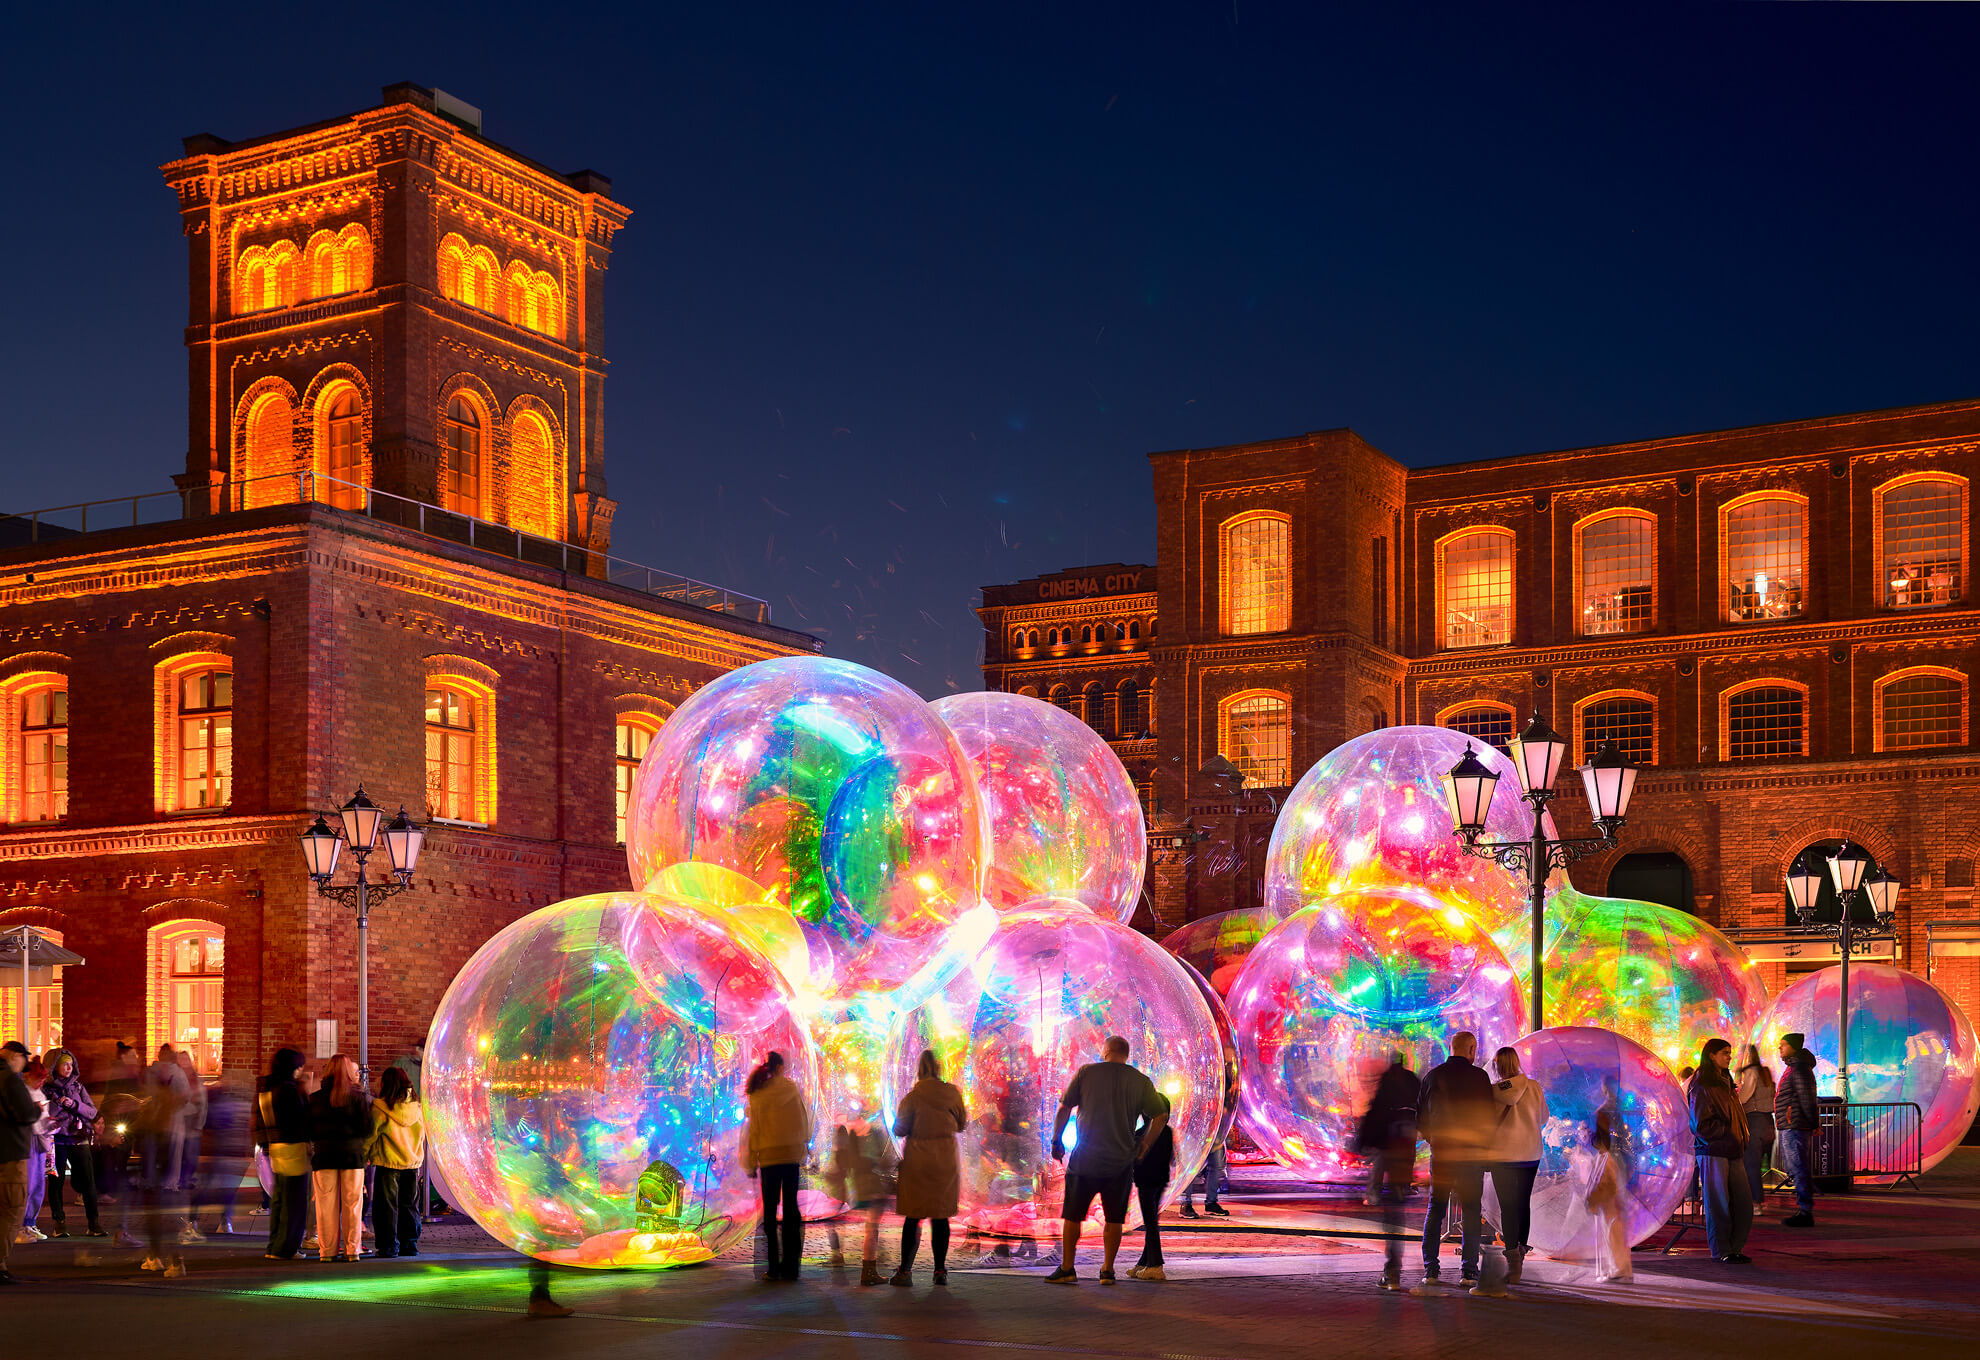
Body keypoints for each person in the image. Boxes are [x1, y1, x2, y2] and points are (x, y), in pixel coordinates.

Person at [1045, 1035, 1167, 1286]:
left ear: (1106, 1051)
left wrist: (1056, 1141)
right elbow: (1161, 1115)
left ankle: (1067, 1267)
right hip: (1120, 1162)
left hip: (1085, 1160)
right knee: (1114, 1220)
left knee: (1073, 1216)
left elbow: (1064, 1108)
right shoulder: (1140, 1081)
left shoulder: (1086, 1073)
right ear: (1126, 1054)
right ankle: (1107, 1270)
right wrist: (1144, 1144)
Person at [1413, 1031, 1493, 1290]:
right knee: (1471, 1211)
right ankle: (1469, 1272)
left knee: (1436, 1209)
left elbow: (1421, 1118)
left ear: (1451, 1048)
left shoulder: (1433, 1077)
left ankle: (1431, 1270)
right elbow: (1488, 1119)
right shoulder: (1480, 1078)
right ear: (1471, 1049)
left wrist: (1434, 1139)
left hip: (1444, 1154)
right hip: (1471, 1155)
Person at [891, 1048, 967, 1287]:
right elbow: (962, 1123)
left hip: (918, 1162)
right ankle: (940, 1271)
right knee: (940, 1216)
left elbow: (899, 1129)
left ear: (919, 1070)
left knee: (913, 1217)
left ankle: (905, 1272)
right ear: (938, 1068)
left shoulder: (913, 1097)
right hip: (944, 1161)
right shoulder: (952, 1094)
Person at [740, 1051, 812, 1282]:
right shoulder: (791, 1089)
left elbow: (754, 1130)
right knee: (791, 1210)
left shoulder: (758, 1093)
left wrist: (751, 1161)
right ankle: (791, 1268)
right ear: (781, 1067)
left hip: (769, 1158)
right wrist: (803, 1149)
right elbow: (804, 1122)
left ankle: (772, 1268)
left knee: (770, 1213)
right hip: (790, 1156)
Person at [1357, 1051, 1420, 1292]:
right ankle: (1400, 1189)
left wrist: (1363, 1142)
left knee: (1392, 1214)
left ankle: (1392, 1269)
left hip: (1388, 1148)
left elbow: (1375, 1110)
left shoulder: (1387, 1081)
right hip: (1405, 1148)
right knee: (1397, 1205)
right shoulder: (1412, 1080)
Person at [1688, 1037, 1752, 1265]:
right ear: (1711, 1055)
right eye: (1724, 1052)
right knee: (1718, 1203)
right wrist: (1725, 1132)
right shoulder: (1702, 1084)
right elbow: (1700, 1124)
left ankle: (1734, 1247)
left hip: (1732, 1148)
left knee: (1743, 1202)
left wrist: (1739, 1136)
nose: (1729, 1056)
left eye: (1729, 1052)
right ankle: (1722, 1250)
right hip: (1714, 1149)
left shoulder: (1726, 1080)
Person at [1485, 1045, 1546, 1285]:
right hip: (1530, 1153)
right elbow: (1543, 1118)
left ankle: (1513, 1262)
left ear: (1498, 1065)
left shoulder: (1492, 1091)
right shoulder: (1534, 1087)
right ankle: (1521, 1252)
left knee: (1508, 1208)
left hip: (1504, 1155)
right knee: (1523, 1204)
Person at [136, 1044, 193, 1275]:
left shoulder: (150, 1080)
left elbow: (141, 1111)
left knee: (154, 1206)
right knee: (168, 1202)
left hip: (154, 1144)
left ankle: (159, 1256)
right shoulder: (178, 1079)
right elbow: (187, 1102)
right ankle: (171, 1258)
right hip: (172, 1140)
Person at [308, 1055, 371, 1262]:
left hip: (324, 1157)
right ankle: (352, 1250)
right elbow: (367, 1128)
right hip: (352, 1156)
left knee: (325, 1206)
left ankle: (327, 1252)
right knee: (353, 1205)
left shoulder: (316, 1098)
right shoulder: (359, 1097)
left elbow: (309, 1130)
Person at [253, 1048, 313, 1260]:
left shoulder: (265, 1088)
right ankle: (287, 1248)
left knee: (279, 1199)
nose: (300, 1071)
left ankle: (274, 1245)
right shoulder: (289, 1091)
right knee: (295, 1202)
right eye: (299, 1067)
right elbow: (301, 1120)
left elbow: (259, 1121)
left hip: (275, 1147)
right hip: (294, 1148)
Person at [825, 1111, 897, 1284]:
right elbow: (881, 1159)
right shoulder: (868, 1132)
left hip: (862, 1182)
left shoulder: (851, 1131)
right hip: (871, 1183)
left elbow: (844, 1160)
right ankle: (868, 1272)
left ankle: (867, 1269)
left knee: (871, 1227)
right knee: (872, 1228)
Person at [41, 1048, 103, 1238]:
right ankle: (59, 1223)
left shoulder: (78, 1087)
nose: (69, 1068)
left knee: (88, 1182)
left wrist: (74, 1105)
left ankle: (94, 1224)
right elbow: (43, 1116)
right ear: (54, 1066)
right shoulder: (44, 1089)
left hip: (78, 1138)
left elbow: (92, 1112)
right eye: (64, 1064)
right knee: (56, 1182)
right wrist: (59, 1110)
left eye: (71, 1064)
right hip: (56, 1140)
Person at [368, 1065, 425, 1259]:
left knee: (386, 1207)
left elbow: (371, 1135)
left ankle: (388, 1247)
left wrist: (365, 1154)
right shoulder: (417, 1107)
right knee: (409, 1205)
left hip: (388, 1163)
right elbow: (422, 1135)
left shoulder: (380, 1108)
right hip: (412, 1163)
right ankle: (410, 1245)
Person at [1, 1041, 39, 1284]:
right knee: (11, 1210)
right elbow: (25, 1113)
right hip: (10, 1154)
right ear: (15, 1056)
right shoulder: (9, 1078)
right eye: (24, 1059)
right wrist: (36, 1109)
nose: (24, 1064)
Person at [1127, 1091, 1174, 1281]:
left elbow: (1135, 1159)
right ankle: (1144, 1262)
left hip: (1146, 1181)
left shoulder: (1142, 1133)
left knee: (1151, 1224)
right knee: (1152, 1222)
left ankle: (1155, 1265)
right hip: (1161, 1180)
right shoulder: (1168, 1131)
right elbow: (1170, 1158)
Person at [1774, 1032, 1819, 1227]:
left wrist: (1813, 1123)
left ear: (1794, 1047)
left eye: (1783, 1045)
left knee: (1798, 1167)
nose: (1780, 1048)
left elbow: (1806, 1097)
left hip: (1795, 1125)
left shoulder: (1799, 1069)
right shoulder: (1794, 1067)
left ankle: (1805, 1210)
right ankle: (1804, 1207)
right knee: (1795, 1167)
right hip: (1790, 1124)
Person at [1584, 1110, 1631, 1283]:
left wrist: (1594, 1198)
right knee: (1610, 1234)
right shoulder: (1604, 1157)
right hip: (1609, 1203)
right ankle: (1616, 1269)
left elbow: (1606, 1182)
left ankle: (1619, 1270)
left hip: (1610, 1203)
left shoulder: (1606, 1158)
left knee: (1612, 1234)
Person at [1735, 1043, 1777, 1211]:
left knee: (1750, 1164)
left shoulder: (1750, 1073)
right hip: (1768, 1121)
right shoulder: (1765, 1073)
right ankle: (1758, 1199)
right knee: (1758, 1164)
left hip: (1753, 1120)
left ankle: (1755, 1203)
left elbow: (1744, 1097)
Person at [174, 1049, 209, 1245]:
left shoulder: (197, 1080)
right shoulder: (175, 1080)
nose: (184, 1061)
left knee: (190, 1162)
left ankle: (187, 1181)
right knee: (181, 1164)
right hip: (179, 1127)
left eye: (186, 1058)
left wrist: (199, 1124)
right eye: (181, 1059)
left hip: (192, 1129)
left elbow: (203, 1104)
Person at [17, 1059, 51, 1244]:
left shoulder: (38, 1092)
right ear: (27, 1076)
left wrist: (51, 1125)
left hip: (39, 1139)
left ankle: (30, 1222)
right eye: (39, 1078)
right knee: (28, 1184)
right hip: (28, 1139)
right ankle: (20, 1225)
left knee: (38, 1183)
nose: (42, 1082)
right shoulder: (22, 1093)